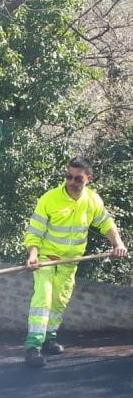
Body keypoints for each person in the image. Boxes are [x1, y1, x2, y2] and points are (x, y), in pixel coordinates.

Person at [23, 157, 127, 367]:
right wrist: (33, 255)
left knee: (60, 301)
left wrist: (118, 243)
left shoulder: (93, 201)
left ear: (88, 178)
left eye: (77, 178)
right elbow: (34, 232)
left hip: (71, 262)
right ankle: (33, 347)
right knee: (43, 299)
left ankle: (49, 339)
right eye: (68, 176)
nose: (71, 181)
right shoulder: (49, 199)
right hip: (46, 259)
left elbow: (105, 223)